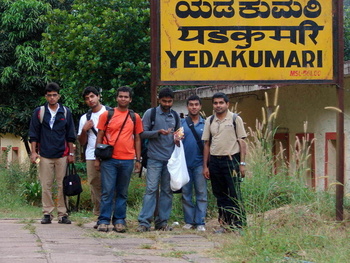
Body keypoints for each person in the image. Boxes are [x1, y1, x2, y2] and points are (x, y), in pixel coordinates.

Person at [95, 86, 143, 233]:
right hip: (109, 160)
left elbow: (137, 139)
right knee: (107, 191)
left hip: (128, 159)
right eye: (121, 96)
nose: (123, 99)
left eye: (126, 97)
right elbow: (100, 136)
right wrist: (97, 157)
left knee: (122, 192)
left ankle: (119, 220)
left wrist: (138, 159)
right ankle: (103, 220)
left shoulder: (135, 117)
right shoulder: (107, 115)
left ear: (130, 99)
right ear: (116, 98)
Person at [29, 82, 76, 224]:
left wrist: (71, 154)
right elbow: (33, 134)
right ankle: (47, 213)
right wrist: (33, 152)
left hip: (62, 154)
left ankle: (62, 213)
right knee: (46, 184)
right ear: (46, 96)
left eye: (54, 95)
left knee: (62, 184)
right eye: (49, 95)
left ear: (59, 96)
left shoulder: (66, 112)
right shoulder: (40, 112)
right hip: (44, 154)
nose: (52, 98)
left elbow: (71, 136)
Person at [202, 92, 247, 233]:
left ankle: (239, 225)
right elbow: (207, 144)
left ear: (227, 104)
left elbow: (242, 141)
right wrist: (206, 166)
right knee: (220, 195)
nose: (218, 105)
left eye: (221, 102)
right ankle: (225, 225)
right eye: (215, 103)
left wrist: (242, 164)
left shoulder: (235, 119)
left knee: (234, 193)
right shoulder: (209, 120)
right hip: (215, 162)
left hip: (231, 160)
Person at [137, 87, 181, 232]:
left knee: (167, 191)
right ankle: (144, 222)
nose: (167, 104)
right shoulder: (151, 113)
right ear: (159, 100)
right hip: (154, 158)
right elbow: (142, 133)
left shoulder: (175, 115)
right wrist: (158, 132)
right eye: (164, 101)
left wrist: (178, 138)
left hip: (170, 160)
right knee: (151, 189)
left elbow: (178, 133)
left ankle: (162, 222)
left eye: (170, 101)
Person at [77, 87, 108, 226]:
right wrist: (84, 129)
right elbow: (81, 141)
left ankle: (110, 215)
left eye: (92, 96)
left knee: (110, 184)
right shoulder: (85, 118)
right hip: (91, 154)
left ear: (98, 96)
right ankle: (99, 215)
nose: (90, 100)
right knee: (94, 184)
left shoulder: (110, 113)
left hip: (109, 154)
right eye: (87, 98)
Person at [181, 95, 207, 232]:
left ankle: (200, 222)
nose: (194, 107)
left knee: (201, 193)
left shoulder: (206, 124)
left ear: (200, 106)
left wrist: (206, 165)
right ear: (187, 107)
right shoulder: (181, 123)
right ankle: (189, 221)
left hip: (200, 164)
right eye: (191, 104)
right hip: (184, 165)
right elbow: (176, 142)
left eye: (196, 104)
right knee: (186, 194)